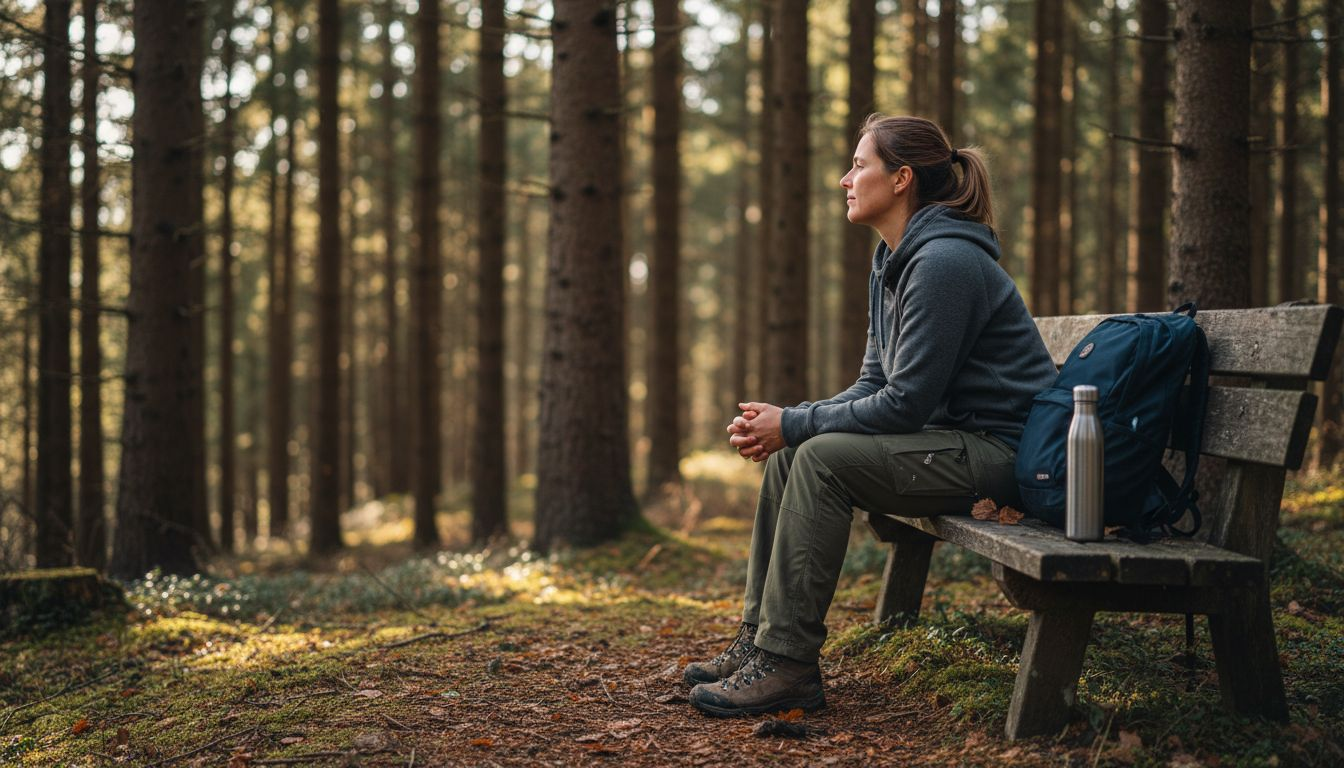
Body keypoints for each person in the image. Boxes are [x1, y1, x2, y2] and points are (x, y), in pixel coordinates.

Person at [684, 114, 1058, 717]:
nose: (845, 179)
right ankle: (759, 641)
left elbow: (906, 401)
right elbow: (873, 384)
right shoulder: (893, 263)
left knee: (822, 459)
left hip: (1002, 453)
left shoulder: (944, 264)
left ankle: (788, 666)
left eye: (860, 165)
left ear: (903, 178)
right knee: (793, 460)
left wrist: (797, 423)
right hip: (953, 441)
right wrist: (787, 423)